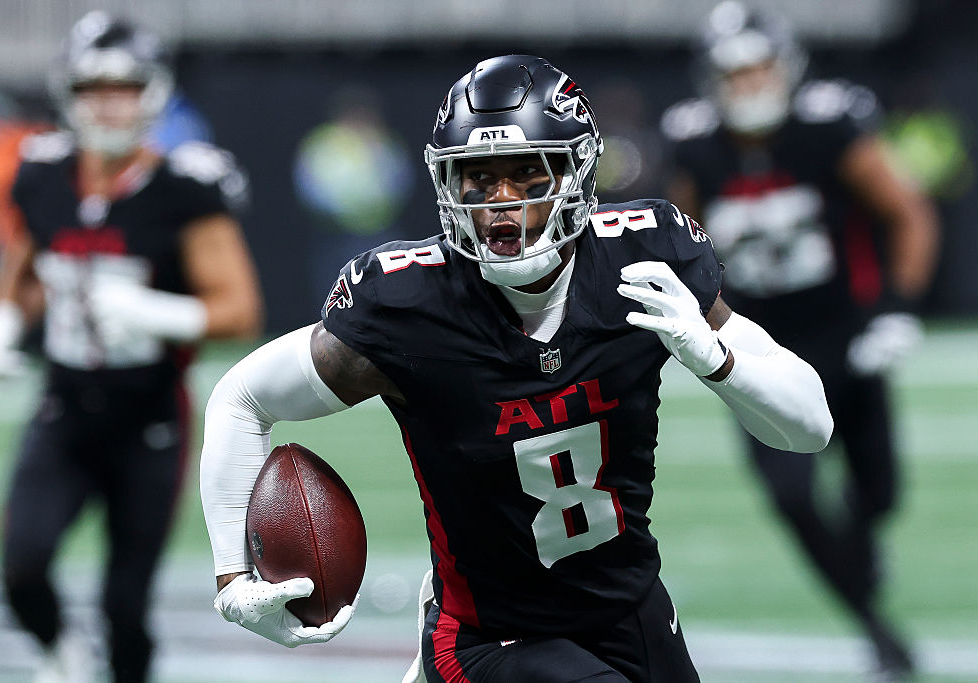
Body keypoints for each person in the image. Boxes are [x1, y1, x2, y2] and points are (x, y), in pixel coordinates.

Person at [200, 54, 833, 682]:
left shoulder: (642, 263)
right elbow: (242, 398)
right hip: (489, 636)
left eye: (527, 173)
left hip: (629, 610)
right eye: (478, 177)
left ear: (575, 172)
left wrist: (715, 358)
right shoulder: (407, 303)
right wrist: (232, 576)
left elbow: (810, 427)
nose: (500, 201)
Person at [0, 11, 262, 682]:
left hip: (148, 417)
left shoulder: (183, 187)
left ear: (152, 91)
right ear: (68, 91)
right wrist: (3, 321)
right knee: (21, 566)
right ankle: (61, 652)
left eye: (124, 86)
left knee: (124, 605)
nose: (109, 102)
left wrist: (153, 310)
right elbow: (28, 257)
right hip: (65, 405)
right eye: (94, 85)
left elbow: (240, 309)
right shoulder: (42, 173)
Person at [659, 2, 940, 677]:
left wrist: (895, 309)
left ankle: (867, 544)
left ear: (786, 67)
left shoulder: (830, 123)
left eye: (759, 67)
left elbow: (910, 214)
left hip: (846, 336)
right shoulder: (696, 143)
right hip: (759, 347)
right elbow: (679, 241)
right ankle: (873, 625)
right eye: (734, 72)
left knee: (879, 494)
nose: (749, 84)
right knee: (791, 497)